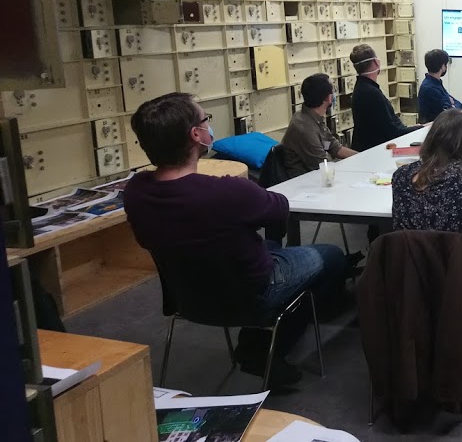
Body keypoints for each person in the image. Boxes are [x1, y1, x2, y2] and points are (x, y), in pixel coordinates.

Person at [123, 93, 346, 387]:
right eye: (206, 119)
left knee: (271, 247)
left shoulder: (136, 192)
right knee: (332, 256)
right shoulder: (228, 192)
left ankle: (258, 341)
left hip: (188, 298)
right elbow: (279, 210)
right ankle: (267, 348)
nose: (209, 125)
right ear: (196, 135)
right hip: (254, 293)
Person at [281, 73, 358, 177]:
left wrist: (362, 157)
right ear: (328, 98)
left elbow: (334, 147)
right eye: (333, 91)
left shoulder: (312, 117)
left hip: (318, 174)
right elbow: (322, 165)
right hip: (305, 180)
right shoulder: (305, 127)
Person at [350, 44, 421, 151]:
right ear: (376, 62)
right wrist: (420, 129)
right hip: (373, 151)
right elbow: (392, 132)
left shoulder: (364, 88)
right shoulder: (371, 93)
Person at [417, 49, 462, 123]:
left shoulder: (435, 83)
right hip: (435, 127)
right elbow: (451, 113)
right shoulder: (429, 88)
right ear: (443, 66)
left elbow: (458, 104)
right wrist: (451, 104)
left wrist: (451, 104)